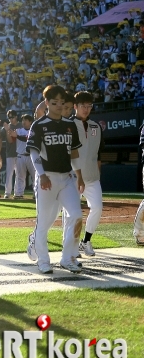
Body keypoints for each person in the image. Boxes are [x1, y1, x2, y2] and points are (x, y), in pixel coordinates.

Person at [25, 85, 84, 274]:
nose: (59, 105)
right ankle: (43, 260)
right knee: (44, 222)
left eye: (62, 102)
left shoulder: (70, 125)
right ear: (47, 103)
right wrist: (41, 174)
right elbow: (34, 152)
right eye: (54, 102)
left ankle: (68, 258)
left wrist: (79, 176)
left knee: (76, 215)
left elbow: (74, 153)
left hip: (66, 178)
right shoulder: (39, 125)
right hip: (47, 178)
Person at [72, 91, 104, 257]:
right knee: (72, 215)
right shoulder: (68, 125)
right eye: (83, 105)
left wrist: (98, 173)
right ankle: (72, 246)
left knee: (97, 208)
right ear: (75, 106)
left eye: (89, 105)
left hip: (92, 177)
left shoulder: (96, 127)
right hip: (72, 177)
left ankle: (86, 241)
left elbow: (99, 153)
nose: (86, 109)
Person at [13, 114, 35, 199]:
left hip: (31, 155)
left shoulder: (33, 131)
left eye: (26, 120)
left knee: (35, 176)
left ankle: (36, 194)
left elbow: (27, 138)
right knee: (20, 176)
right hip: (20, 156)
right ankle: (18, 193)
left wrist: (17, 136)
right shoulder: (18, 130)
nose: (24, 122)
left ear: (30, 122)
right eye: (22, 120)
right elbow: (10, 139)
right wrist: (9, 131)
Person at [1, 110, 20, 199]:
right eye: (9, 118)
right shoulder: (7, 127)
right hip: (10, 153)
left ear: (16, 116)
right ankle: (7, 192)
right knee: (9, 174)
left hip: (20, 153)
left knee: (19, 174)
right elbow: (2, 137)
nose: (11, 119)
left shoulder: (21, 125)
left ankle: (17, 192)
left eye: (12, 117)